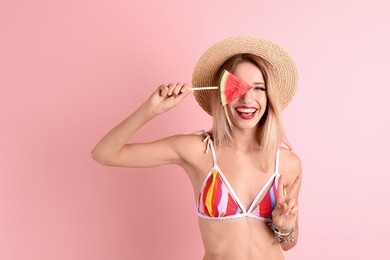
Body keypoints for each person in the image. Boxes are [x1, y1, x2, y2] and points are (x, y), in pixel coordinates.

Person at [91, 36, 302, 260]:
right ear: (221, 93)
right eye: (236, 87)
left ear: (269, 96)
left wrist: (285, 226)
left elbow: (288, 244)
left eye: (258, 88)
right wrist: (151, 109)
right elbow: (104, 154)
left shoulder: (287, 162)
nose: (247, 98)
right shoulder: (197, 151)